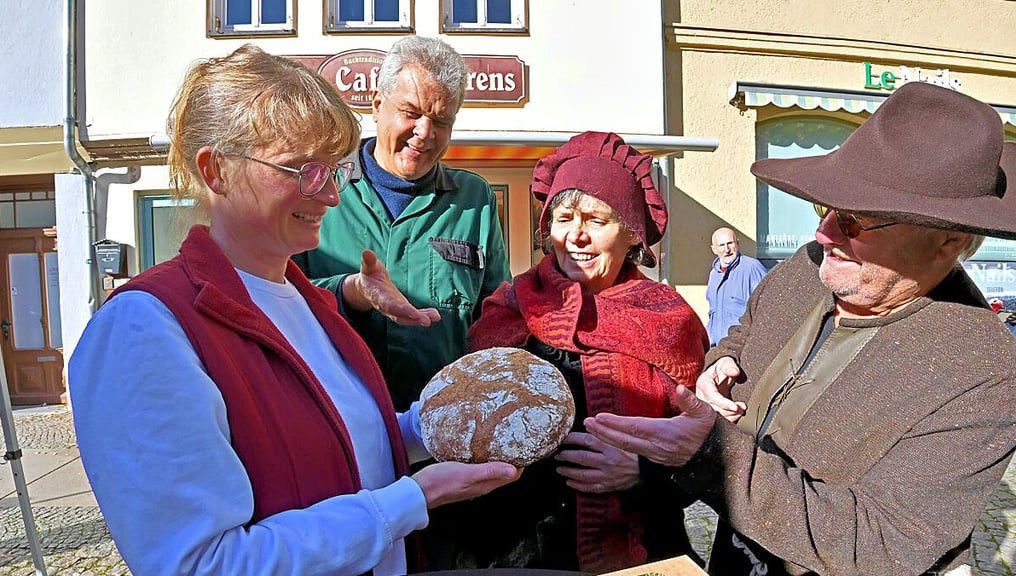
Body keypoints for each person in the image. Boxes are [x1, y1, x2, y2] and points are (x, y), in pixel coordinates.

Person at [68, 44, 518, 576]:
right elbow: (201, 563)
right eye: (301, 170)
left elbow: (339, 443)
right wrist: (409, 502)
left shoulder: (305, 300)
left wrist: (431, 423)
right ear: (216, 172)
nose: (329, 195)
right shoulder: (143, 328)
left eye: (330, 171)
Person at [584, 82, 1016, 575]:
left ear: (948, 242)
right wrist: (718, 364)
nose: (824, 233)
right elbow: (746, 332)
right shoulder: (810, 265)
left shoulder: (986, 372)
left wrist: (710, 457)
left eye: (856, 221)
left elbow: (883, 542)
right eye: (826, 208)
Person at [445, 132, 710, 572]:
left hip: (636, 546)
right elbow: (466, 430)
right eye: (564, 218)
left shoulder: (668, 320)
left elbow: (707, 450)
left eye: (596, 220)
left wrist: (643, 473)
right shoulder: (510, 309)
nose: (577, 236)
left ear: (631, 235)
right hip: (514, 549)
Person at [295, 35, 511, 411]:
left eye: (441, 120)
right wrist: (351, 293)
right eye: (411, 113)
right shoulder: (317, 185)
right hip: (339, 426)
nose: (425, 133)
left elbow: (496, 319)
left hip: (443, 433)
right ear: (378, 106)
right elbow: (277, 300)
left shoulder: (475, 200)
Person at [706, 226, 767, 345]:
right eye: (721, 245)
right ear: (714, 249)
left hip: (742, 348)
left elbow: (766, 308)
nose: (727, 249)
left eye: (730, 243)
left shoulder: (752, 268)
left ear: (737, 244)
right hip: (716, 349)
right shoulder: (714, 274)